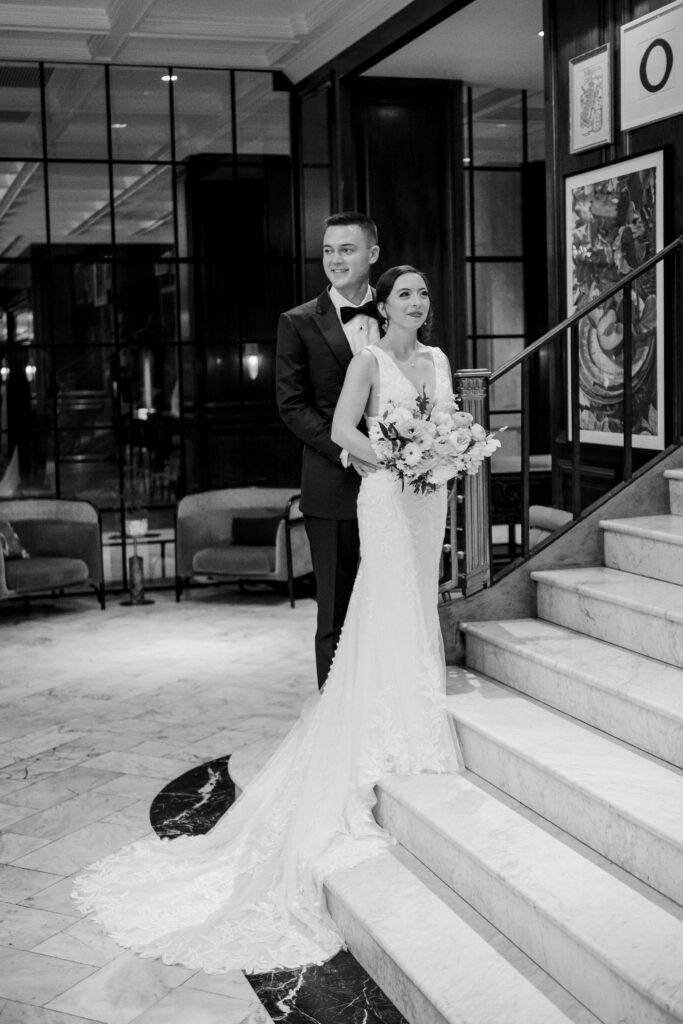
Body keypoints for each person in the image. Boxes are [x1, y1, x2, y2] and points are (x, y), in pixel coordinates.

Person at [71, 265, 463, 975]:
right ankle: (383, 714)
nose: (416, 302)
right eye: (404, 293)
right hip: (386, 489)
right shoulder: (369, 361)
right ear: (384, 305)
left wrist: (442, 451)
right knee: (383, 601)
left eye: (423, 293)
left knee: (418, 595)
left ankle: (417, 696)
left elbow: (448, 419)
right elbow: (341, 428)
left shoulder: (436, 360)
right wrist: (397, 456)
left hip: (426, 496)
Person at [276, 212, 381, 689]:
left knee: (390, 601)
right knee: (335, 611)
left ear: (372, 254)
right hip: (331, 483)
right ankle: (335, 711)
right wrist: (348, 451)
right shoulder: (297, 322)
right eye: (328, 251)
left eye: (347, 249)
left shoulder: (400, 312)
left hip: (397, 484)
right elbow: (292, 405)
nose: (335, 260)